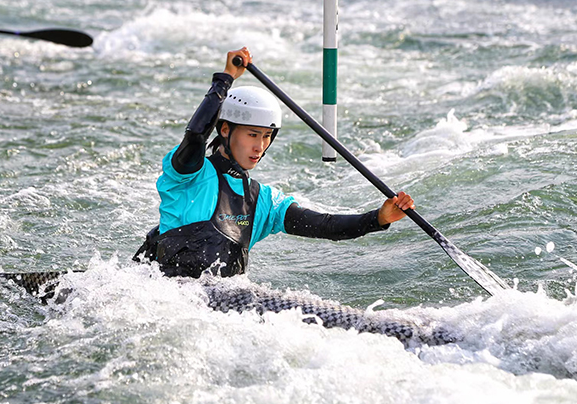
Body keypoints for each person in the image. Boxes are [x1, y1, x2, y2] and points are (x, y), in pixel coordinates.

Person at [133, 47, 415, 278]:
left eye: (267, 136)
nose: (260, 146)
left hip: (223, 307)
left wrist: (378, 219)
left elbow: (325, 225)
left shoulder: (263, 200)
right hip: (166, 295)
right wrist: (226, 78)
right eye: (253, 134)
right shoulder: (189, 174)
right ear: (225, 130)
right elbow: (195, 135)